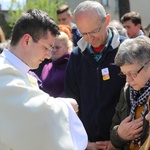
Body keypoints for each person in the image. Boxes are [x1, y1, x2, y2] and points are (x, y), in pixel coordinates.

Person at [0, 8, 88, 150]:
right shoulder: (3, 74)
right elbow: (36, 115)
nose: (48, 55)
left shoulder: (16, 71)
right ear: (27, 40)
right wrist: (66, 107)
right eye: (47, 47)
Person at [64, 1, 126, 149]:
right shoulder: (76, 56)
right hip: (88, 143)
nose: (90, 38)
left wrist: (118, 140)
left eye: (94, 31)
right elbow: (71, 104)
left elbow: (137, 99)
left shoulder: (127, 50)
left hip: (123, 142)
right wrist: (84, 143)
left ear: (107, 20)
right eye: (83, 33)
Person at [110, 36, 150, 150]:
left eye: (132, 73)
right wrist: (120, 135)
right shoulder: (127, 90)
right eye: (124, 74)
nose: (128, 80)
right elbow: (113, 130)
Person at [40, 31, 73, 97]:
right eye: (52, 47)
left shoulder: (72, 66)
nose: (54, 50)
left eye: (57, 47)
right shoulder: (47, 67)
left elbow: (72, 91)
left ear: (67, 48)